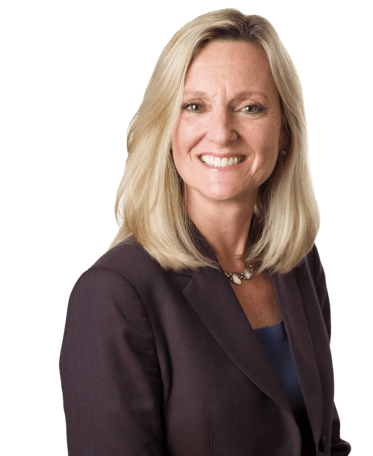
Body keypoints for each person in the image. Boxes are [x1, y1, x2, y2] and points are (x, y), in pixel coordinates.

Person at [59, 7, 352, 456]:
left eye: (250, 108)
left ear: (285, 131)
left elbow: (324, 440)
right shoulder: (113, 294)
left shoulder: (297, 262)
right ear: (166, 127)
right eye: (194, 106)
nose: (221, 133)